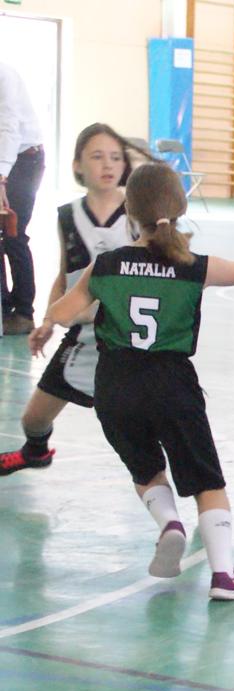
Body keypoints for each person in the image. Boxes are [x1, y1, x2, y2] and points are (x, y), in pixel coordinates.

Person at [30, 163, 234, 599]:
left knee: (147, 471)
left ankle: (169, 522)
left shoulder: (106, 266)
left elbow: (62, 312)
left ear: (130, 212)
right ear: (180, 208)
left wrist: (79, 312)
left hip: (114, 386)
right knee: (208, 484)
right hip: (172, 385)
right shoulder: (192, 267)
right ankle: (224, 576)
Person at [0, 124, 146, 476]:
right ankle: (36, 452)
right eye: (97, 156)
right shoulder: (67, 215)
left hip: (129, 341)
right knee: (33, 419)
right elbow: (65, 273)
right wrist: (49, 321)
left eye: (115, 157)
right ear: (78, 165)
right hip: (84, 336)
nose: (107, 164)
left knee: (137, 430)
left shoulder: (138, 213)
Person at [0, 61, 46, 335]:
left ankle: (24, 313)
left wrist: (1, 178)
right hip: (6, 161)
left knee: (13, 234)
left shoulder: (4, 75)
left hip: (25, 159)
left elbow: (9, 129)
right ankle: (3, 310)